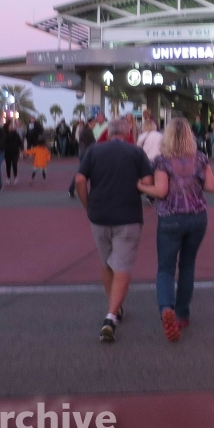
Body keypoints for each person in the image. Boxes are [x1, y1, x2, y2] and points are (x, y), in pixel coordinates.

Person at [74, 118, 155, 343]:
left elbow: (80, 180)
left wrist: (87, 205)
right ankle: (110, 316)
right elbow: (148, 182)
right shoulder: (136, 153)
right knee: (123, 265)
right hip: (128, 215)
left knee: (107, 262)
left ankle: (114, 306)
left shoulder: (93, 151)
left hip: (99, 215)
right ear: (128, 132)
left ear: (108, 133)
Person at [137, 117, 214, 342]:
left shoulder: (163, 161)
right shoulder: (200, 158)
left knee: (165, 268)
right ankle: (182, 314)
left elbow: (161, 191)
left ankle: (166, 309)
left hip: (171, 218)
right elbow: (212, 186)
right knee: (188, 265)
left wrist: (142, 186)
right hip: (197, 217)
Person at [3, 120, 23, 185]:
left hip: (15, 151)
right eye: (10, 125)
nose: (12, 126)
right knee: (8, 165)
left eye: (12, 125)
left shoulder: (16, 133)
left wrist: (22, 148)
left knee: (14, 164)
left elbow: (20, 142)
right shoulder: (4, 134)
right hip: (7, 151)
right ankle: (8, 178)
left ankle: (15, 177)